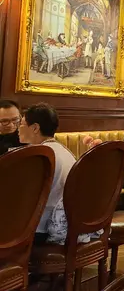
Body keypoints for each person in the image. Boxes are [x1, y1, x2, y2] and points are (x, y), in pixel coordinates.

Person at [18, 103, 76, 243]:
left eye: (21, 124)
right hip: (67, 226)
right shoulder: (65, 152)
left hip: (42, 230)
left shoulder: (40, 156)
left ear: (35, 128)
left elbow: (24, 197)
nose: (18, 129)